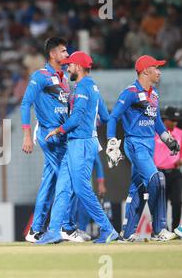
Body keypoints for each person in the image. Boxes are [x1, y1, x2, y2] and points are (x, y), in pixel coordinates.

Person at [37, 51, 118, 244]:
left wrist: (58, 130)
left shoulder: (82, 87)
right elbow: (105, 118)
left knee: (81, 189)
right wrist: (91, 122)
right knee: (63, 186)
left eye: (70, 65)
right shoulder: (93, 86)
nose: (67, 68)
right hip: (79, 142)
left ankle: (108, 229)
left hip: (80, 143)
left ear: (79, 67)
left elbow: (76, 119)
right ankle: (54, 230)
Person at [106, 55, 180, 242]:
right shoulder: (130, 92)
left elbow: (157, 124)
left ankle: (128, 232)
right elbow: (113, 117)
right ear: (146, 71)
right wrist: (111, 141)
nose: (159, 71)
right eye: (156, 67)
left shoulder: (154, 94)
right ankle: (160, 229)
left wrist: (168, 140)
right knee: (158, 179)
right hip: (135, 144)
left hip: (149, 144)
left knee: (138, 187)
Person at [20, 37, 86, 243]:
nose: (67, 55)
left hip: (62, 135)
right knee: (71, 180)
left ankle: (35, 230)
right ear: (53, 55)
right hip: (50, 135)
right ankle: (67, 227)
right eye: (64, 51)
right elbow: (25, 104)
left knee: (49, 183)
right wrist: (27, 135)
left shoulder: (64, 78)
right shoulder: (40, 76)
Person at [153, 106, 182, 232]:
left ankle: (175, 230)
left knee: (177, 202)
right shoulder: (155, 133)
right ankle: (163, 230)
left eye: (176, 120)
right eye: (172, 120)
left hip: (175, 173)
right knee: (161, 204)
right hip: (159, 172)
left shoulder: (180, 133)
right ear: (165, 119)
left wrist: (179, 161)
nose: (175, 122)